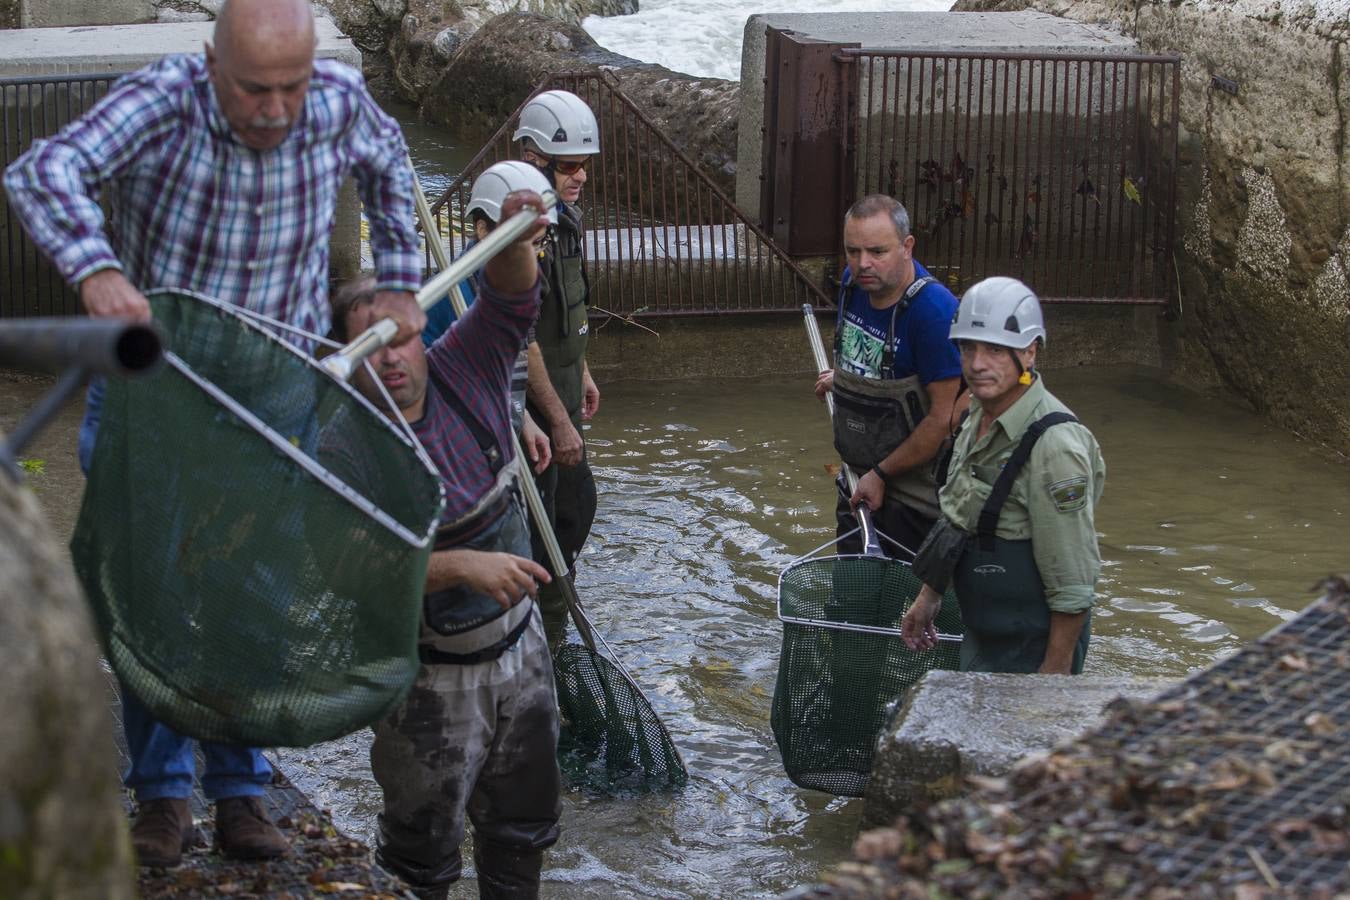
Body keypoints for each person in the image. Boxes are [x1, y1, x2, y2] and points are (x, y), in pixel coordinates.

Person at [3, 0, 424, 868]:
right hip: (159, 394)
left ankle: (240, 793)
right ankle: (161, 799)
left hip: (275, 395)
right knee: (151, 592)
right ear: (210, 64)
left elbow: (389, 168)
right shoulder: (164, 98)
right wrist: (96, 267)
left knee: (253, 594)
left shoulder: (339, 99)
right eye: (253, 90)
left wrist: (399, 279)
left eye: (289, 90)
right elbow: (42, 171)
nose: (274, 111)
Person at [330, 189, 561, 900]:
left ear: (420, 331)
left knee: (523, 832)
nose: (390, 361)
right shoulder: (341, 444)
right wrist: (458, 566)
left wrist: (519, 235)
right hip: (426, 680)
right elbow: (346, 571)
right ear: (344, 355)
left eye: (399, 339)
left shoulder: (469, 362)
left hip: (521, 653)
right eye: (368, 348)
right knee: (421, 854)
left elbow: (512, 300)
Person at [901, 277, 1106, 674]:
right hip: (984, 635)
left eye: (996, 350)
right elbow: (960, 514)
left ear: (1029, 353)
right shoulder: (974, 414)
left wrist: (1052, 677)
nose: (977, 364)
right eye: (968, 348)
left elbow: (1073, 579)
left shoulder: (1055, 446)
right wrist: (929, 596)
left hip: (1034, 648)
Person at [814, 194, 965, 557]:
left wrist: (881, 475)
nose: (863, 264)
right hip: (855, 481)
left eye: (877, 252)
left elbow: (946, 416)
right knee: (852, 603)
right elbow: (874, 354)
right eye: (853, 251)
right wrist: (848, 378)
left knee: (914, 609)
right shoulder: (855, 283)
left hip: (916, 502)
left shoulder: (935, 313)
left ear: (907, 246)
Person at [515, 89, 601, 653]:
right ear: (533, 158)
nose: (581, 177)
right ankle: (539, 654)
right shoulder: (519, 232)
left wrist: (585, 371)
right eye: (569, 165)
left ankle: (550, 638)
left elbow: (567, 314)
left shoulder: (563, 223)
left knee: (575, 511)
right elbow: (523, 339)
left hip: (566, 395)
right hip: (538, 414)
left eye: (585, 166)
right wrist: (556, 421)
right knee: (541, 536)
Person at [421, 161, 556, 478]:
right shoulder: (453, 298)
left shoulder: (505, 286)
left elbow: (503, 374)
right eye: (522, 242)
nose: (532, 259)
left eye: (539, 244)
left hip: (501, 434)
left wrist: (524, 422)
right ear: (483, 229)